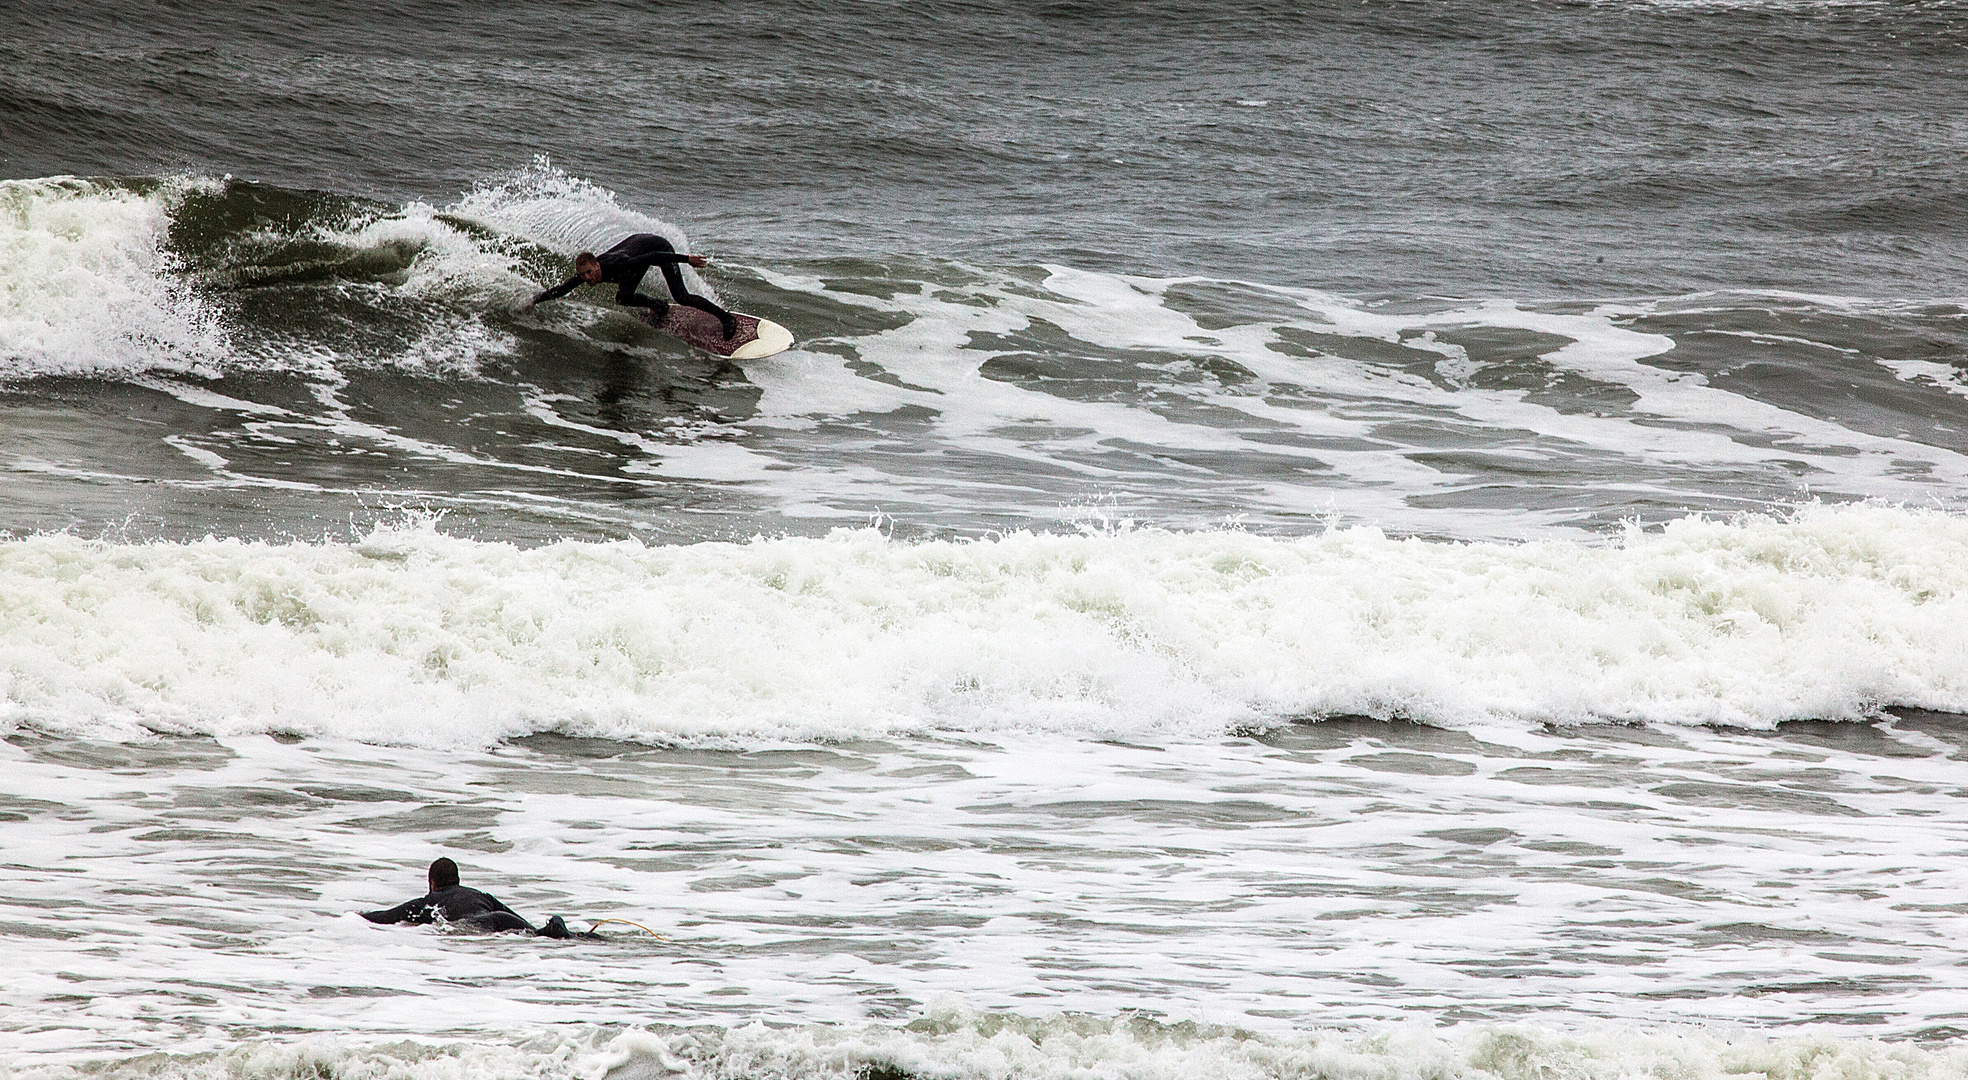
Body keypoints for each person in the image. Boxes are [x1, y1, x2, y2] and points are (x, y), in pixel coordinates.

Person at [530, 233, 739, 339]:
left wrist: (687, 259)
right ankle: (658, 305)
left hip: (657, 247)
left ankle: (726, 317)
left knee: (681, 297)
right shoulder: (587, 274)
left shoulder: (618, 264)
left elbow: (655, 256)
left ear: (597, 265)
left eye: (589, 272)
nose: (586, 278)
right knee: (623, 297)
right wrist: (534, 300)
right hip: (637, 249)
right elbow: (563, 289)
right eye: (582, 275)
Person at [361, 857, 577, 938]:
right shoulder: (481, 895)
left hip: (475, 925)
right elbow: (522, 922)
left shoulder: (428, 903)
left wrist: (357, 917)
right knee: (537, 933)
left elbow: (387, 916)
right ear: (458, 879)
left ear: (432, 883)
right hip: (499, 917)